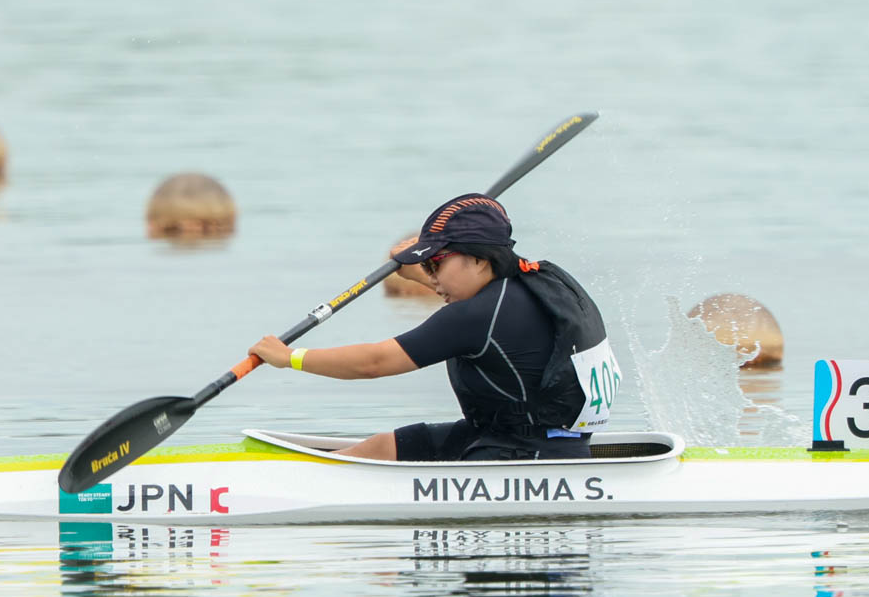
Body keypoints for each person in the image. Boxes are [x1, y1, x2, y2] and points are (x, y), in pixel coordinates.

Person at [247, 193, 622, 461]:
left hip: (524, 458)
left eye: (436, 264)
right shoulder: (542, 280)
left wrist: (290, 357)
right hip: (525, 439)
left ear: (477, 259)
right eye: (426, 267)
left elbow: (374, 363)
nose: (432, 278)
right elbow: (475, 303)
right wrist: (426, 267)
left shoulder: (475, 317)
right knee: (382, 446)